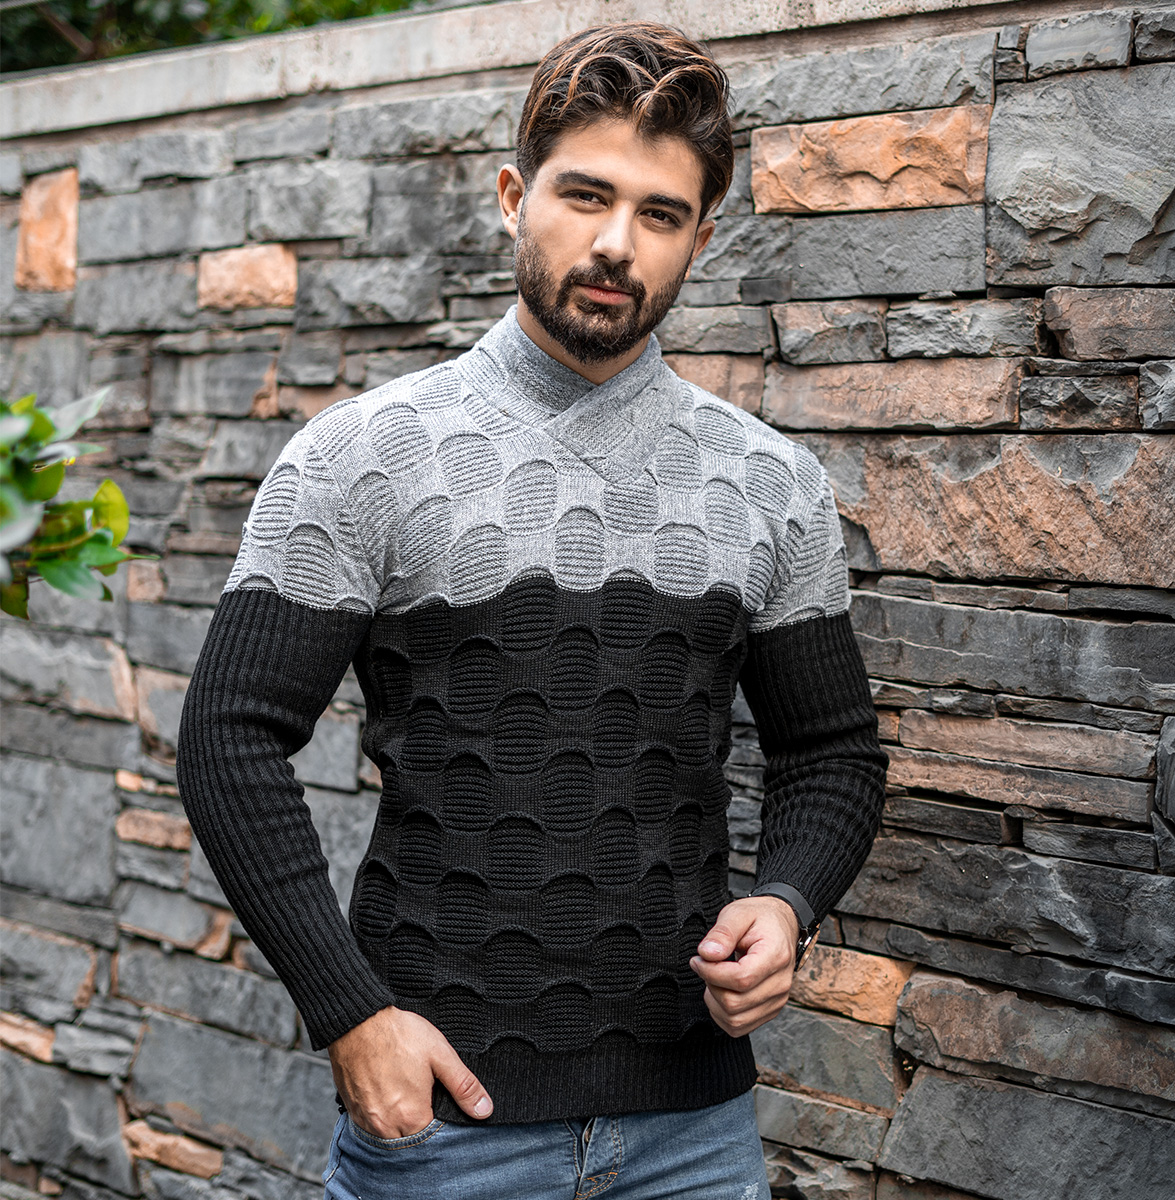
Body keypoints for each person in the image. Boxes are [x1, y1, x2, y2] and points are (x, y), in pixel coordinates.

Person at [176, 20, 887, 1199]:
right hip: (446, 1133)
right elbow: (228, 736)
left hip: (696, 1136)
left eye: (660, 214)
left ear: (701, 238)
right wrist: (349, 1013)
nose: (615, 243)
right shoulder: (363, 457)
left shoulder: (771, 484)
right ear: (515, 198)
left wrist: (786, 898)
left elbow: (833, 751)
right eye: (585, 195)